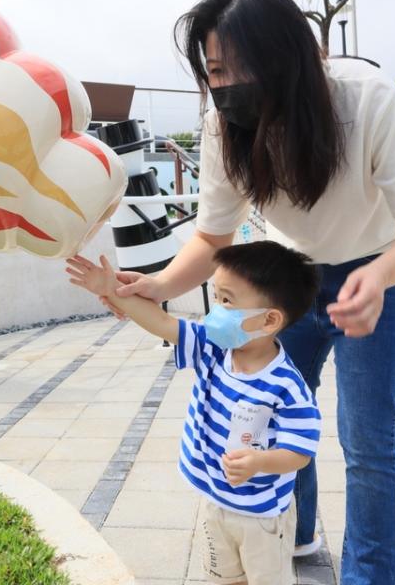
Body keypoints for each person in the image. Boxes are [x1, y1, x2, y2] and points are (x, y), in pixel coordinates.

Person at [104, 0, 395, 584]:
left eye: (240, 66)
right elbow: (212, 238)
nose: (226, 85)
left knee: (366, 443)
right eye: (214, 71)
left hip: (382, 270)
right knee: (275, 409)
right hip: (288, 281)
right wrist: (156, 287)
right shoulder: (221, 127)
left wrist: (378, 277)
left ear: (291, 54)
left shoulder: (367, 101)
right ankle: (295, 535)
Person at [66, 241, 321, 585]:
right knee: (223, 578)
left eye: (228, 301)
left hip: (262, 517)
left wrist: (260, 463)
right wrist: (109, 289)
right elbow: (161, 323)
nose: (216, 310)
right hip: (215, 500)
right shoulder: (214, 349)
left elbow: (300, 453)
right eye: (216, 297)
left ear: (270, 319)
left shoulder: (287, 386)